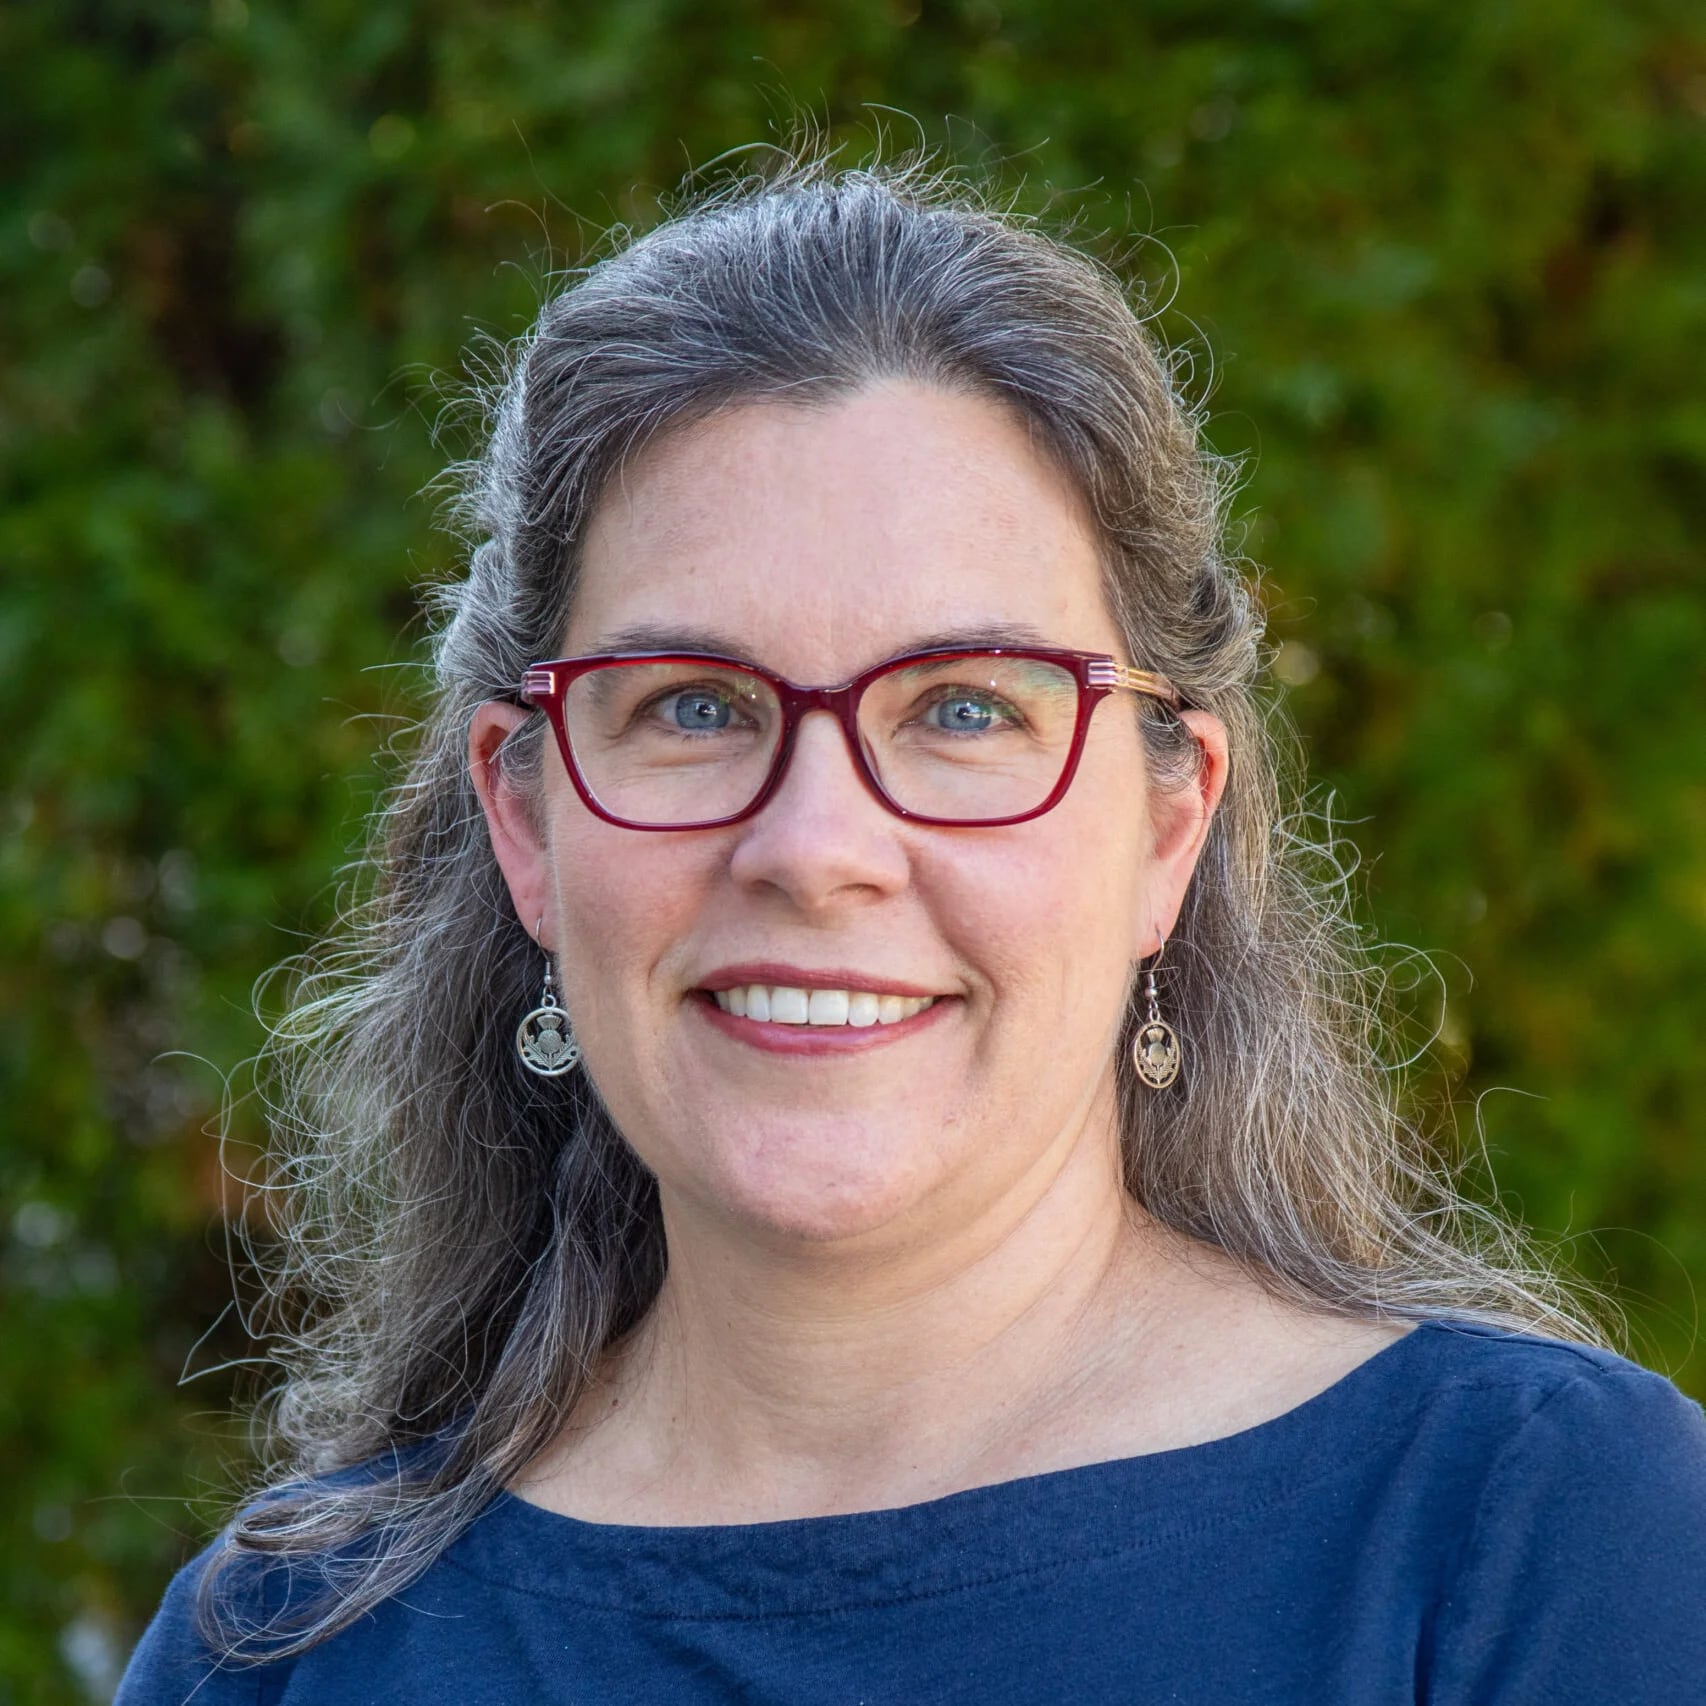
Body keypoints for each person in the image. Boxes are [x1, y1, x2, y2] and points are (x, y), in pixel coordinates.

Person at [117, 156, 1706, 1704]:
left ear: (1167, 823)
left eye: (961, 709)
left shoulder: (1533, 1540)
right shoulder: (282, 1652)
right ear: (527, 820)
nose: (815, 847)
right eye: (691, 704)